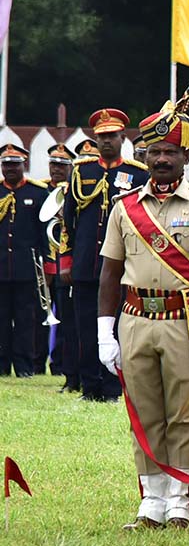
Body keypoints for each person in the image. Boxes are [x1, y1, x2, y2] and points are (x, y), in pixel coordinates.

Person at [96, 85, 189, 529]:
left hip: (183, 320)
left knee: (183, 411)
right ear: (145, 154)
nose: (161, 160)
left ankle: (180, 498)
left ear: (185, 156)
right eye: (154, 151)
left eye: (171, 152)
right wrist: (104, 330)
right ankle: (151, 500)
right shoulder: (125, 207)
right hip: (135, 319)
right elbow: (109, 272)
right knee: (144, 409)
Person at [61, 108, 149, 402]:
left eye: (112, 136)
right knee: (86, 328)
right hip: (87, 264)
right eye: (101, 137)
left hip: (123, 267)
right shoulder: (81, 172)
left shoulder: (138, 174)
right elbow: (68, 221)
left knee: (120, 327)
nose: (106, 141)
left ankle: (113, 388)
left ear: (123, 137)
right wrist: (67, 260)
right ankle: (89, 386)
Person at [0, 144, 49, 377]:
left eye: (14, 164)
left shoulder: (38, 193)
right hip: (0, 269)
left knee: (25, 323)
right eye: (5, 164)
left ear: (24, 165)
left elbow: (45, 235)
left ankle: (24, 367)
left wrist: (48, 264)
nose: (9, 169)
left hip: (27, 270)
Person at [44, 143, 74, 386]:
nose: (57, 169)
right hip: (49, 261)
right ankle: (53, 363)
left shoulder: (75, 191)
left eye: (62, 165)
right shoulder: (42, 190)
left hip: (68, 262)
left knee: (70, 320)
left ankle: (66, 364)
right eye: (53, 164)